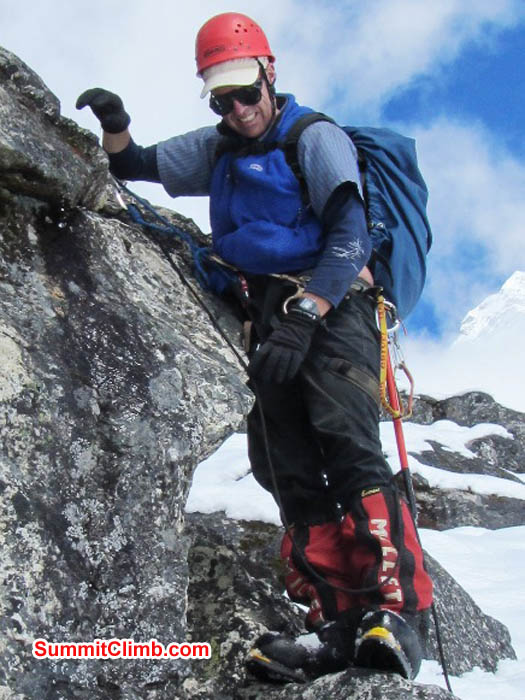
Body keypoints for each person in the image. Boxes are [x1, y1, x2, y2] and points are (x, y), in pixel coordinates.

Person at [77, 11, 433, 681]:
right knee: (284, 465)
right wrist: (114, 120)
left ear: (269, 76)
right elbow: (134, 164)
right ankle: (334, 620)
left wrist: (307, 314)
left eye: (246, 91)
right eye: (222, 98)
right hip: (262, 315)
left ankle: (397, 614)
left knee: (347, 444)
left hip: (332, 305)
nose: (238, 109)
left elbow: (349, 233)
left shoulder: (314, 138)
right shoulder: (216, 148)